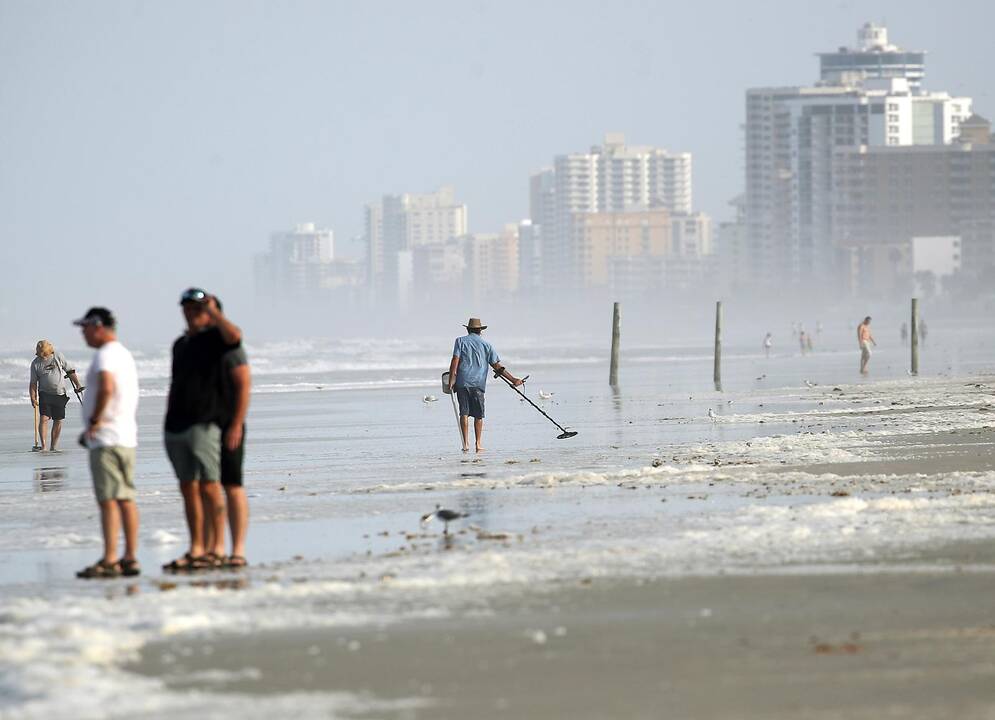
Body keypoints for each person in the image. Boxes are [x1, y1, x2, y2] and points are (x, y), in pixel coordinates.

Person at [162, 288, 241, 571]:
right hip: (177, 424)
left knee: (210, 486)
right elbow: (175, 383)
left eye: (198, 309)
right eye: (188, 308)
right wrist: (168, 419)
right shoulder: (180, 344)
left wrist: (214, 313)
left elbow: (235, 338)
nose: (192, 313)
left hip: (205, 423)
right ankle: (197, 547)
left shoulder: (216, 339)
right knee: (188, 488)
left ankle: (216, 548)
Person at [73, 308, 141, 579]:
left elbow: (107, 387)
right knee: (125, 498)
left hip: (107, 438)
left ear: (98, 326)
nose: (83, 334)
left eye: (85, 328)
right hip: (125, 436)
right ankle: (130, 556)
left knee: (109, 500)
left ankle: (111, 557)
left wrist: (94, 420)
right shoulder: (123, 353)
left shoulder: (105, 355)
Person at [210, 298, 251, 569]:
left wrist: (236, 423)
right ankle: (216, 547)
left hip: (229, 424)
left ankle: (237, 549)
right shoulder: (190, 345)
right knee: (208, 488)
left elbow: (244, 385)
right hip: (200, 425)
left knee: (232, 486)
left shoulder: (230, 346)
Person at [447, 317, 524, 453]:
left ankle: (465, 443)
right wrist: (513, 380)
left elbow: (455, 360)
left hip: (462, 382)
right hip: (478, 384)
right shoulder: (487, 345)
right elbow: (497, 366)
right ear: (480, 331)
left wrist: (451, 380)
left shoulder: (460, 341)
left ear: (468, 329)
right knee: (478, 415)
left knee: (463, 412)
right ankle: (478, 443)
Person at [29, 340, 83, 452]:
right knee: (44, 418)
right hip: (44, 393)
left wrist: (78, 385)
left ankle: (53, 446)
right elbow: (33, 383)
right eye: (41, 354)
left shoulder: (58, 356)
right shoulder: (35, 363)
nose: (43, 356)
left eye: (45, 353)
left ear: (49, 352)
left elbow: (70, 371)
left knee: (58, 419)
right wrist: (33, 397)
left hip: (60, 393)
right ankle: (44, 446)